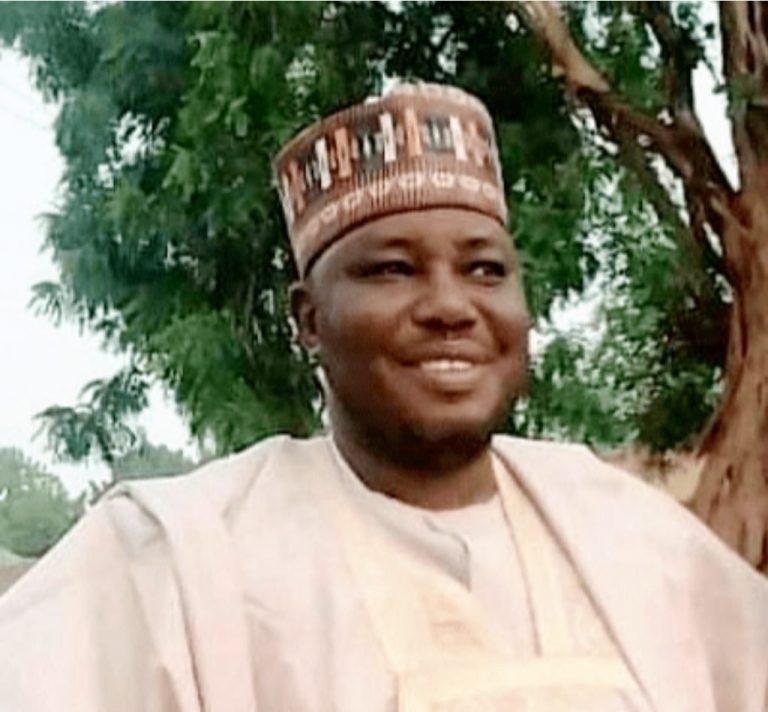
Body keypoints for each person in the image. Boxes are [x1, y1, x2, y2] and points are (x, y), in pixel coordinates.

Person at [0, 82, 766, 712]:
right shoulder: (182, 562)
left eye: (485, 270)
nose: (450, 306)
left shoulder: (636, 539)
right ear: (309, 319)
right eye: (392, 269)